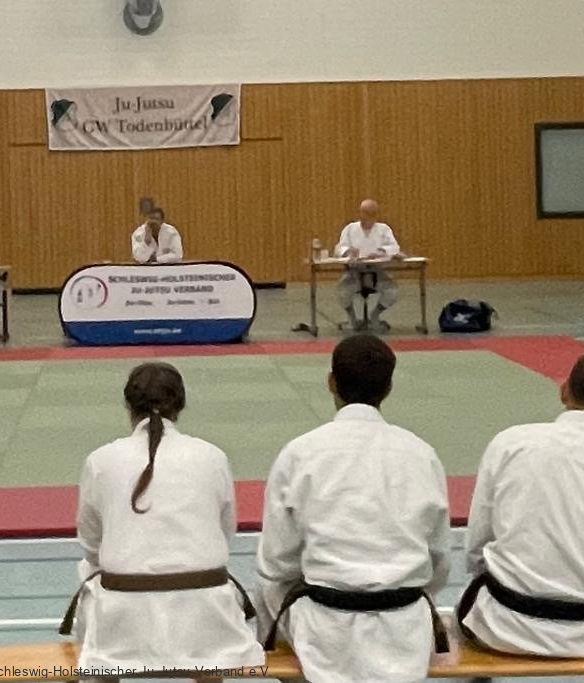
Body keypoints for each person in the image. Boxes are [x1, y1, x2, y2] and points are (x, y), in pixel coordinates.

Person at [256, 335, 450, 683]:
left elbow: (276, 562)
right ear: (388, 388)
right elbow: (438, 560)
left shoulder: (299, 453)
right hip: (403, 629)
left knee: (268, 586)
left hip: (324, 627)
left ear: (331, 382)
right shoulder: (422, 454)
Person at [64, 363, 263, 676]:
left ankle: (103, 673)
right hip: (207, 613)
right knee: (209, 570)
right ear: (180, 406)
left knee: (92, 569)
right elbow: (224, 532)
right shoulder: (212, 456)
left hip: (123, 617)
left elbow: (91, 544)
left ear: (129, 406)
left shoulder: (100, 460)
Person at [461, 350, 584, 658]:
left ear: (564, 391)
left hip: (502, 625)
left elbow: (477, 543)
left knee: (476, 594)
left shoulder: (511, 443)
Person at [335, 199, 404, 332]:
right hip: (354, 272)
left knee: (392, 291)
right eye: (364, 212)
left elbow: (394, 247)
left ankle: (374, 316)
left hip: (377, 272)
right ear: (360, 213)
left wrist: (382, 251)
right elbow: (339, 248)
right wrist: (348, 251)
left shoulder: (383, 229)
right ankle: (352, 319)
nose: (366, 215)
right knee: (342, 292)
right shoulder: (350, 229)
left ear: (375, 214)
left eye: (370, 212)